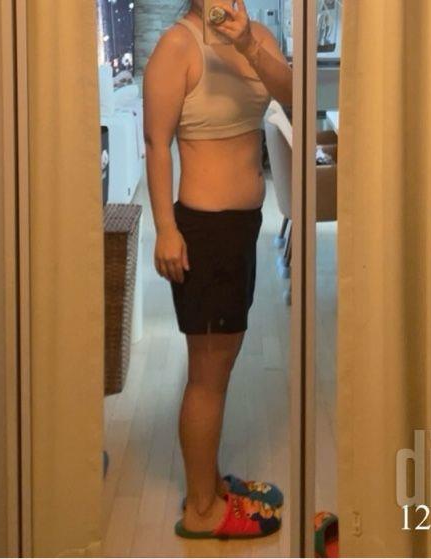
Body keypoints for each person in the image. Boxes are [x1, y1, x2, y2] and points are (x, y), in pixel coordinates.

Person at [143, 0, 293, 540]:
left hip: (241, 228)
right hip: (204, 233)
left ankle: (207, 482)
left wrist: (248, 41)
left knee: (220, 367)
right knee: (207, 374)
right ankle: (202, 510)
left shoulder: (256, 37)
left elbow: (294, 96)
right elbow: (156, 144)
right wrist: (166, 228)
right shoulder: (177, 46)